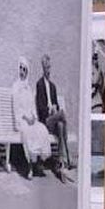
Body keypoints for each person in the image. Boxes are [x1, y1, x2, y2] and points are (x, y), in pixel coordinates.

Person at [11, 56, 51, 179]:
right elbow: (16, 108)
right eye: (20, 68)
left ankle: (38, 163)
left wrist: (33, 117)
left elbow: (33, 106)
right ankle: (29, 165)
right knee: (28, 131)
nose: (22, 71)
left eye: (24, 69)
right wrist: (25, 118)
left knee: (42, 129)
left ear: (27, 71)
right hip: (21, 120)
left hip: (30, 119)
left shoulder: (29, 88)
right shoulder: (15, 87)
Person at [35, 54, 71, 183]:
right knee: (62, 115)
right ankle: (68, 157)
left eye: (49, 67)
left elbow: (56, 103)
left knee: (61, 125)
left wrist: (55, 108)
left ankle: (61, 163)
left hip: (54, 120)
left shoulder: (53, 86)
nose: (48, 70)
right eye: (46, 67)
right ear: (42, 68)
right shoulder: (39, 84)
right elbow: (40, 108)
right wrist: (50, 110)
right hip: (46, 121)